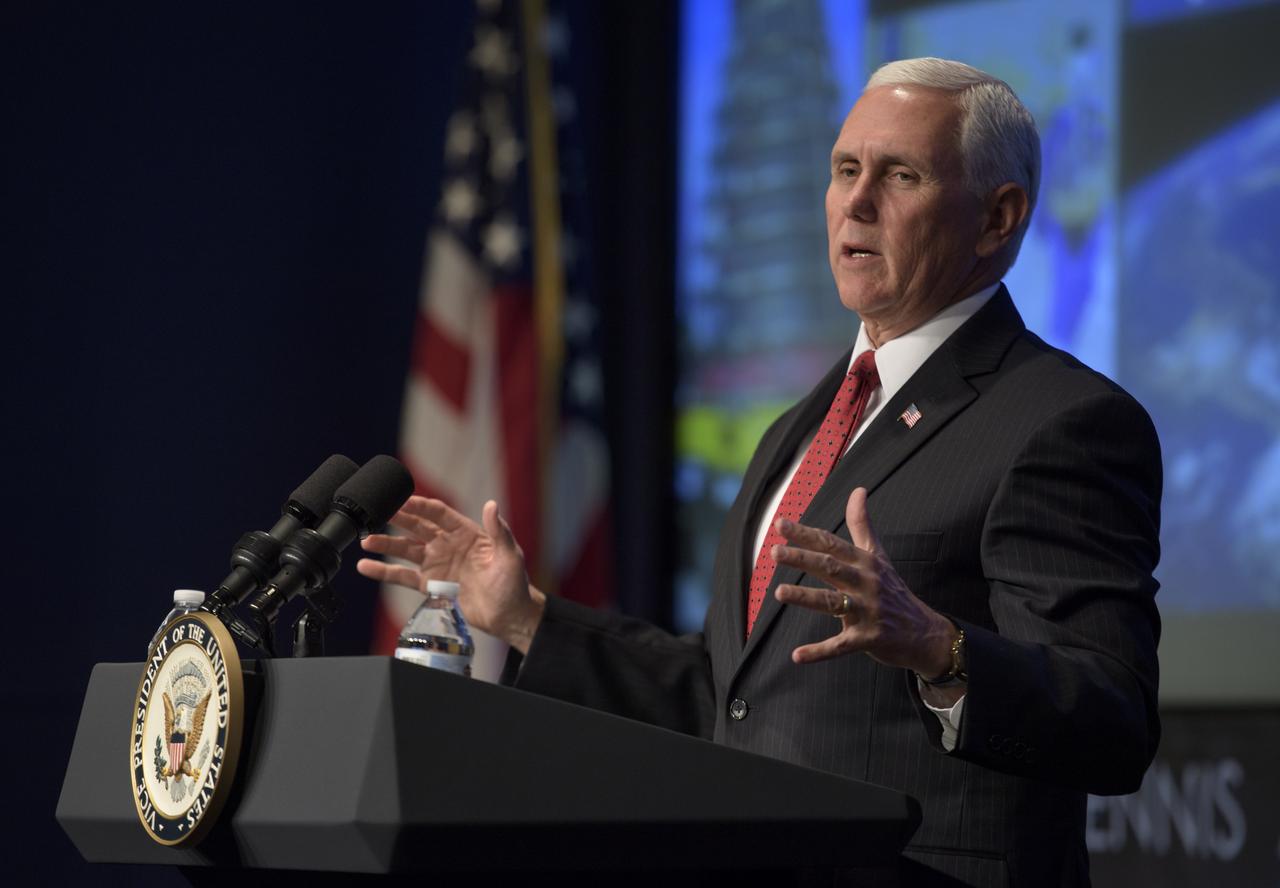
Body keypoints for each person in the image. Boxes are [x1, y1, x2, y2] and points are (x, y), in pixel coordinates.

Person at [358, 58, 1161, 887]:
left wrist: (939, 649)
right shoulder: (798, 427)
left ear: (998, 217)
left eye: (901, 175)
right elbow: (731, 696)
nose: (856, 201)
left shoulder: (1060, 420)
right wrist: (524, 616)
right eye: (845, 169)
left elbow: (1112, 718)